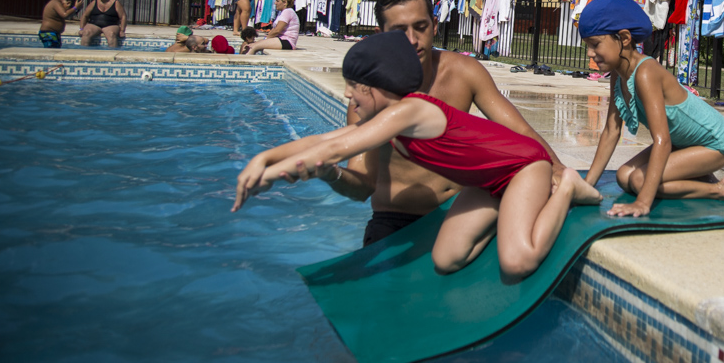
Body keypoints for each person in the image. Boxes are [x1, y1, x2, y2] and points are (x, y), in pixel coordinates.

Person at [233, 32, 602, 279]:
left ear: (377, 86)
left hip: (524, 167)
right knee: (446, 259)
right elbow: (329, 138)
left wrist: (271, 174)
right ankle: (510, 211)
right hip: (488, 182)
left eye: (354, 86)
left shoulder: (411, 110)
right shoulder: (388, 122)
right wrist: (264, 159)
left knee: (517, 261)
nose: (347, 95)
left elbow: (336, 148)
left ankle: (568, 187)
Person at [282, 0, 566, 247]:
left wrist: (556, 169)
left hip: (460, 215)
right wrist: (331, 173)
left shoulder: (463, 72)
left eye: (421, 27)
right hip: (396, 221)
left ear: (435, 25)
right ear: (381, 36)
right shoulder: (370, 97)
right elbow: (362, 185)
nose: (412, 40)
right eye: (399, 31)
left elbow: (519, 131)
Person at [578, 0, 724, 216]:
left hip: (714, 144)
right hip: (682, 143)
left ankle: (722, 190)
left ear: (624, 38)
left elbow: (662, 141)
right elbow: (611, 130)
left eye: (595, 44)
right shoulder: (619, 74)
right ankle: (700, 176)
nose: (590, 53)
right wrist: (587, 185)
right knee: (624, 177)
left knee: (639, 180)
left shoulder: (645, 73)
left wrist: (643, 202)